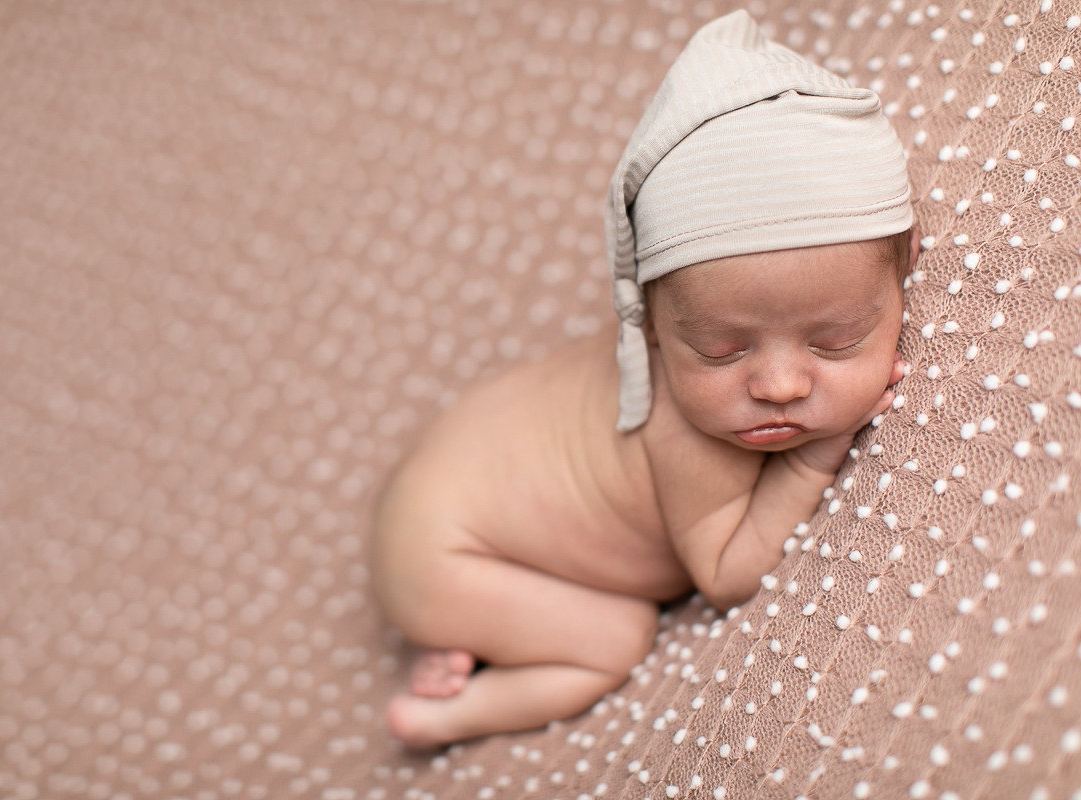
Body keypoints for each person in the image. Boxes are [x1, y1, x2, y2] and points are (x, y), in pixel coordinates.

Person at [368, 10, 917, 749]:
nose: (781, 384)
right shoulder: (681, 426)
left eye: (836, 340)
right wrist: (815, 458)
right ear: (651, 322)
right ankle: (444, 714)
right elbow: (724, 572)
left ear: (910, 259)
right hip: (448, 550)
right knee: (616, 636)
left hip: (456, 477)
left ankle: (485, 630)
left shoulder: (732, 326)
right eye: (722, 351)